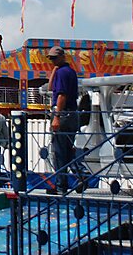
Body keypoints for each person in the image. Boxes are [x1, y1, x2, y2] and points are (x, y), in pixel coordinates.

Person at [48, 46, 79, 193]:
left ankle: (61, 185)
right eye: (51, 58)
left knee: (59, 151)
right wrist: (54, 70)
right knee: (68, 150)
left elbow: (61, 95)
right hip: (72, 114)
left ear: (61, 57)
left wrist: (57, 116)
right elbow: (50, 88)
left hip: (63, 114)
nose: (52, 61)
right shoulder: (69, 71)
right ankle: (80, 176)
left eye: (54, 58)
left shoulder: (62, 73)